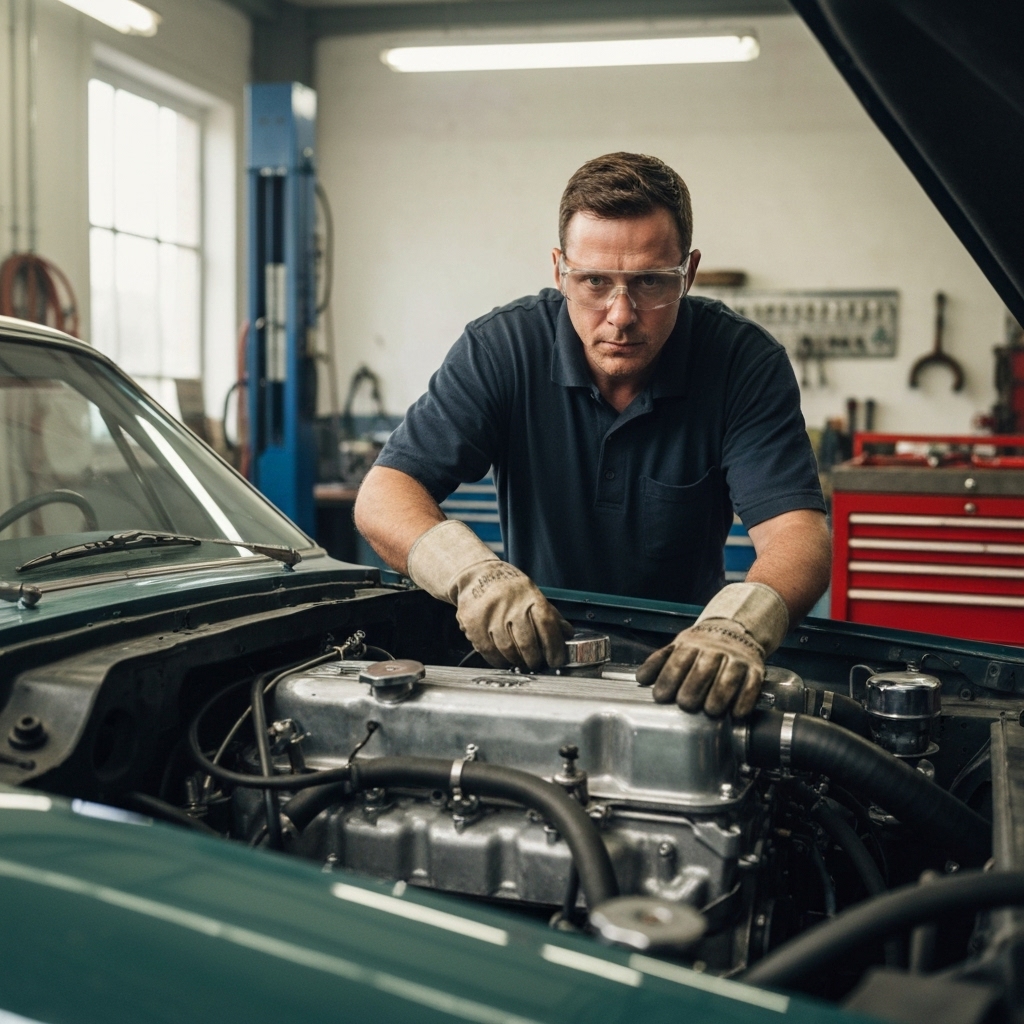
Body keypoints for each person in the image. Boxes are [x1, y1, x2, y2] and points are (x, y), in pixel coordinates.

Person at [354, 152, 830, 718]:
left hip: (686, 670)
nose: (621, 313)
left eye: (651, 282)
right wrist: (472, 575)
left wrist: (739, 625)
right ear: (559, 270)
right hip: (532, 663)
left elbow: (798, 537)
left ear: (690, 272)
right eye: (594, 281)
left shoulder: (741, 362)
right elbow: (384, 494)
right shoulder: (503, 349)